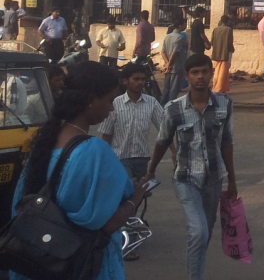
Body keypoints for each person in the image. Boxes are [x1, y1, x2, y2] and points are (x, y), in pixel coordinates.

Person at [10, 61, 146, 280]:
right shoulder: (95, 152)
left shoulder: (45, 142)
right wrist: (136, 198)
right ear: (91, 100)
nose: (112, 108)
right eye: (110, 100)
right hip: (81, 267)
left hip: (37, 263)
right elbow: (107, 224)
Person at [146, 54, 237, 280]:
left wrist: (233, 180)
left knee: (204, 233)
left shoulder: (224, 104)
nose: (200, 77)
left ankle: (195, 268)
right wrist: (151, 169)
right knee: (197, 232)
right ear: (186, 76)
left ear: (211, 73)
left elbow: (226, 142)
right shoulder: (174, 109)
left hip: (214, 180)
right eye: (195, 73)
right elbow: (162, 141)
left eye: (204, 72)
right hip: (186, 179)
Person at [99, 62, 165, 261]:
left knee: (136, 199)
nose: (140, 83)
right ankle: (124, 242)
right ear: (125, 81)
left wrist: (175, 151)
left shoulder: (151, 103)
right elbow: (107, 134)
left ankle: (129, 231)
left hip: (142, 159)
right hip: (120, 158)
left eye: (143, 79)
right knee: (125, 197)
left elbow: (166, 129)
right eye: (136, 79)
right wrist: (105, 158)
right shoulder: (115, 103)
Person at [161, 21, 188, 105]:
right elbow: (175, 52)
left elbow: (163, 52)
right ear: (180, 25)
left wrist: (167, 63)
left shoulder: (168, 36)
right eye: (184, 24)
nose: (185, 26)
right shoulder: (180, 38)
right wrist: (169, 64)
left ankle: (162, 106)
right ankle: (170, 107)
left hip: (168, 67)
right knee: (173, 90)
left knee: (166, 90)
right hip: (176, 67)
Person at [210, 15, 234, 93]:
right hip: (225, 53)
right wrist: (232, 49)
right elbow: (230, 43)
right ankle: (219, 87)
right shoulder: (228, 30)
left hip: (217, 52)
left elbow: (212, 41)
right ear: (227, 21)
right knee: (223, 72)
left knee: (217, 70)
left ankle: (216, 86)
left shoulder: (215, 29)